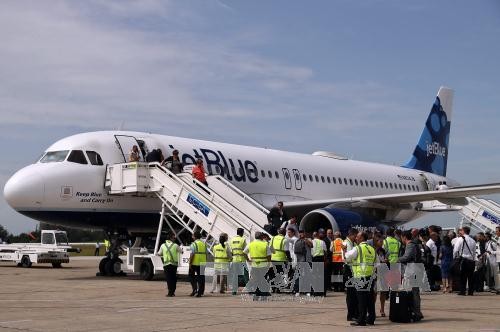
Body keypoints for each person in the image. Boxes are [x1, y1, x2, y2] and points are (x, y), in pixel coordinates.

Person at [345, 231, 377, 326]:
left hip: (360, 276)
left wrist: (344, 251)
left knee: (361, 299)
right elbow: (377, 263)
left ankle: (361, 320)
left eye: (358, 237)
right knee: (370, 298)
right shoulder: (372, 249)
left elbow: (347, 257)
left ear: (362, 238)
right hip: (370, 277)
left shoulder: (357, 248)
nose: (356, 238)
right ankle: (371, 318)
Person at [398, 230, 424, 321]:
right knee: (415, 292)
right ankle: (417, 312)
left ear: (404, 237)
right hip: (416, 269)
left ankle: (416, 313)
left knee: (412, 292)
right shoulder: (415, 244)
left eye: (401, 237)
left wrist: (397, 259)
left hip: (411, 271)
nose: (401, 239)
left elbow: (407, 257)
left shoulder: (410, 245)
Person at [244, 232, 272, 299]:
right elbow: (269, 256)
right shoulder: (265, 245)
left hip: (254, 265)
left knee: (256, 280)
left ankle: (256, 294)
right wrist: (268, 263)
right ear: (262, 237)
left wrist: (248, 260)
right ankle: (263, 294)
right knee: (263, 279)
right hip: (263, 265)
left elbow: (244, 253)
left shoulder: (250, 244)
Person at [453, 226, 477, 296]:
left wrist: (454, 258)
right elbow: (474, 251)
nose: (460, 232)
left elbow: (456, 249)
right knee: (471, 277)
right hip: (471, 260)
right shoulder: (473, 240)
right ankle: (470, 291)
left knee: (462, 276)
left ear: (463, 231)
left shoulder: (460, 239)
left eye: (461, 231)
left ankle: (462, 291)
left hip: (463, 260)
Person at [157, 232, 182, 297]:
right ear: (171, 238)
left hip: (166, 265)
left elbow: (159, 253)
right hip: (174, 265)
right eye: (174, 237)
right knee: (174, 278)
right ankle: (173, 291)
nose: (174, 239)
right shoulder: (176, 245)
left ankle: (170, 292)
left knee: (169, 279)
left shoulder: (163, 245)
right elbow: (181, 251)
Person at [342, 228, 359, 322]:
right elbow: (347, 258)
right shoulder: (345, 243)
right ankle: (351, 315)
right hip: (348, 269)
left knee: (354, 292)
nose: (356, 238)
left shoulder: (354, 243)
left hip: (354, 270)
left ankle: (355, 313)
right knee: (351, 293)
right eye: (355, 236)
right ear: (351, 235)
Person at [269, 228, 290, 292]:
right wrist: (289, 258)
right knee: (280, 273)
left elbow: (270, 247)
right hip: (281, 259)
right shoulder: (285, 240)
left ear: (278, 232)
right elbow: (287, 251)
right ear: (284, 233)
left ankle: (273, 287)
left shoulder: (273, 238)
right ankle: (278, 288)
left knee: (273, 273)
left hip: (273, 258)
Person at [373, 232, 388, 318]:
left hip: (383, 272)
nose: (382, 243)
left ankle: (382, 309)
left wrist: (385, 260)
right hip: (375, 273)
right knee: (374, 293)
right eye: (380, 241)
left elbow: (383, 259)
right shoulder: (373, 250)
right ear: (376, 241)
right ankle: (373, 310)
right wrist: (381, 262)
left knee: (383, 293)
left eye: (382, 241)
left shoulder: (382, 250)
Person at [229, 228, 248, 295]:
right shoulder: (243, 240)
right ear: (242, 233)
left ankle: (234, 291)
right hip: (242, 260)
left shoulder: (232, 240)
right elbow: (245, 251)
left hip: (234, 260)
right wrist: (248, 259)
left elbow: (231, 251)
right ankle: (250, 290)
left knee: (235, 275)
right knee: (246, 275)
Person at [293, 229, 312, 295]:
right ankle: (297, 290)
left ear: (305, 233)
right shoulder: (297, 241)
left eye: (302, 233)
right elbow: (295, 252)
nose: (301, 234)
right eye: (300, 233)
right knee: (298, 276)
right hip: (300, 261)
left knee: (307, 276)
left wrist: (305, 240)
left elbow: (311, 245)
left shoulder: (308, 240)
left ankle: (307, 291)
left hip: (307, 260)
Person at [189, 231, 207, 297]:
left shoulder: (193, 244)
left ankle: (194, 289)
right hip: (203, 263)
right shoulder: (204, 244)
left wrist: (190, 263)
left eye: (192, 235)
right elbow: (206, 253)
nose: (192, 236)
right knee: (201, 277)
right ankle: (201, 292)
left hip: (195, 263)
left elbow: (192, 254)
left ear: (194, 237)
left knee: (191, 276)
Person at [312, 230, 327, 296]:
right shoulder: (322, 242)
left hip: (314, 259)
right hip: (321, 259)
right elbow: (325, 251)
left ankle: (316, 292)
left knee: (315, 276)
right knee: (321, 276)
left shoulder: (311, 242)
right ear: (318, 235)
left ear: (313, 236)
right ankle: (323, 292)